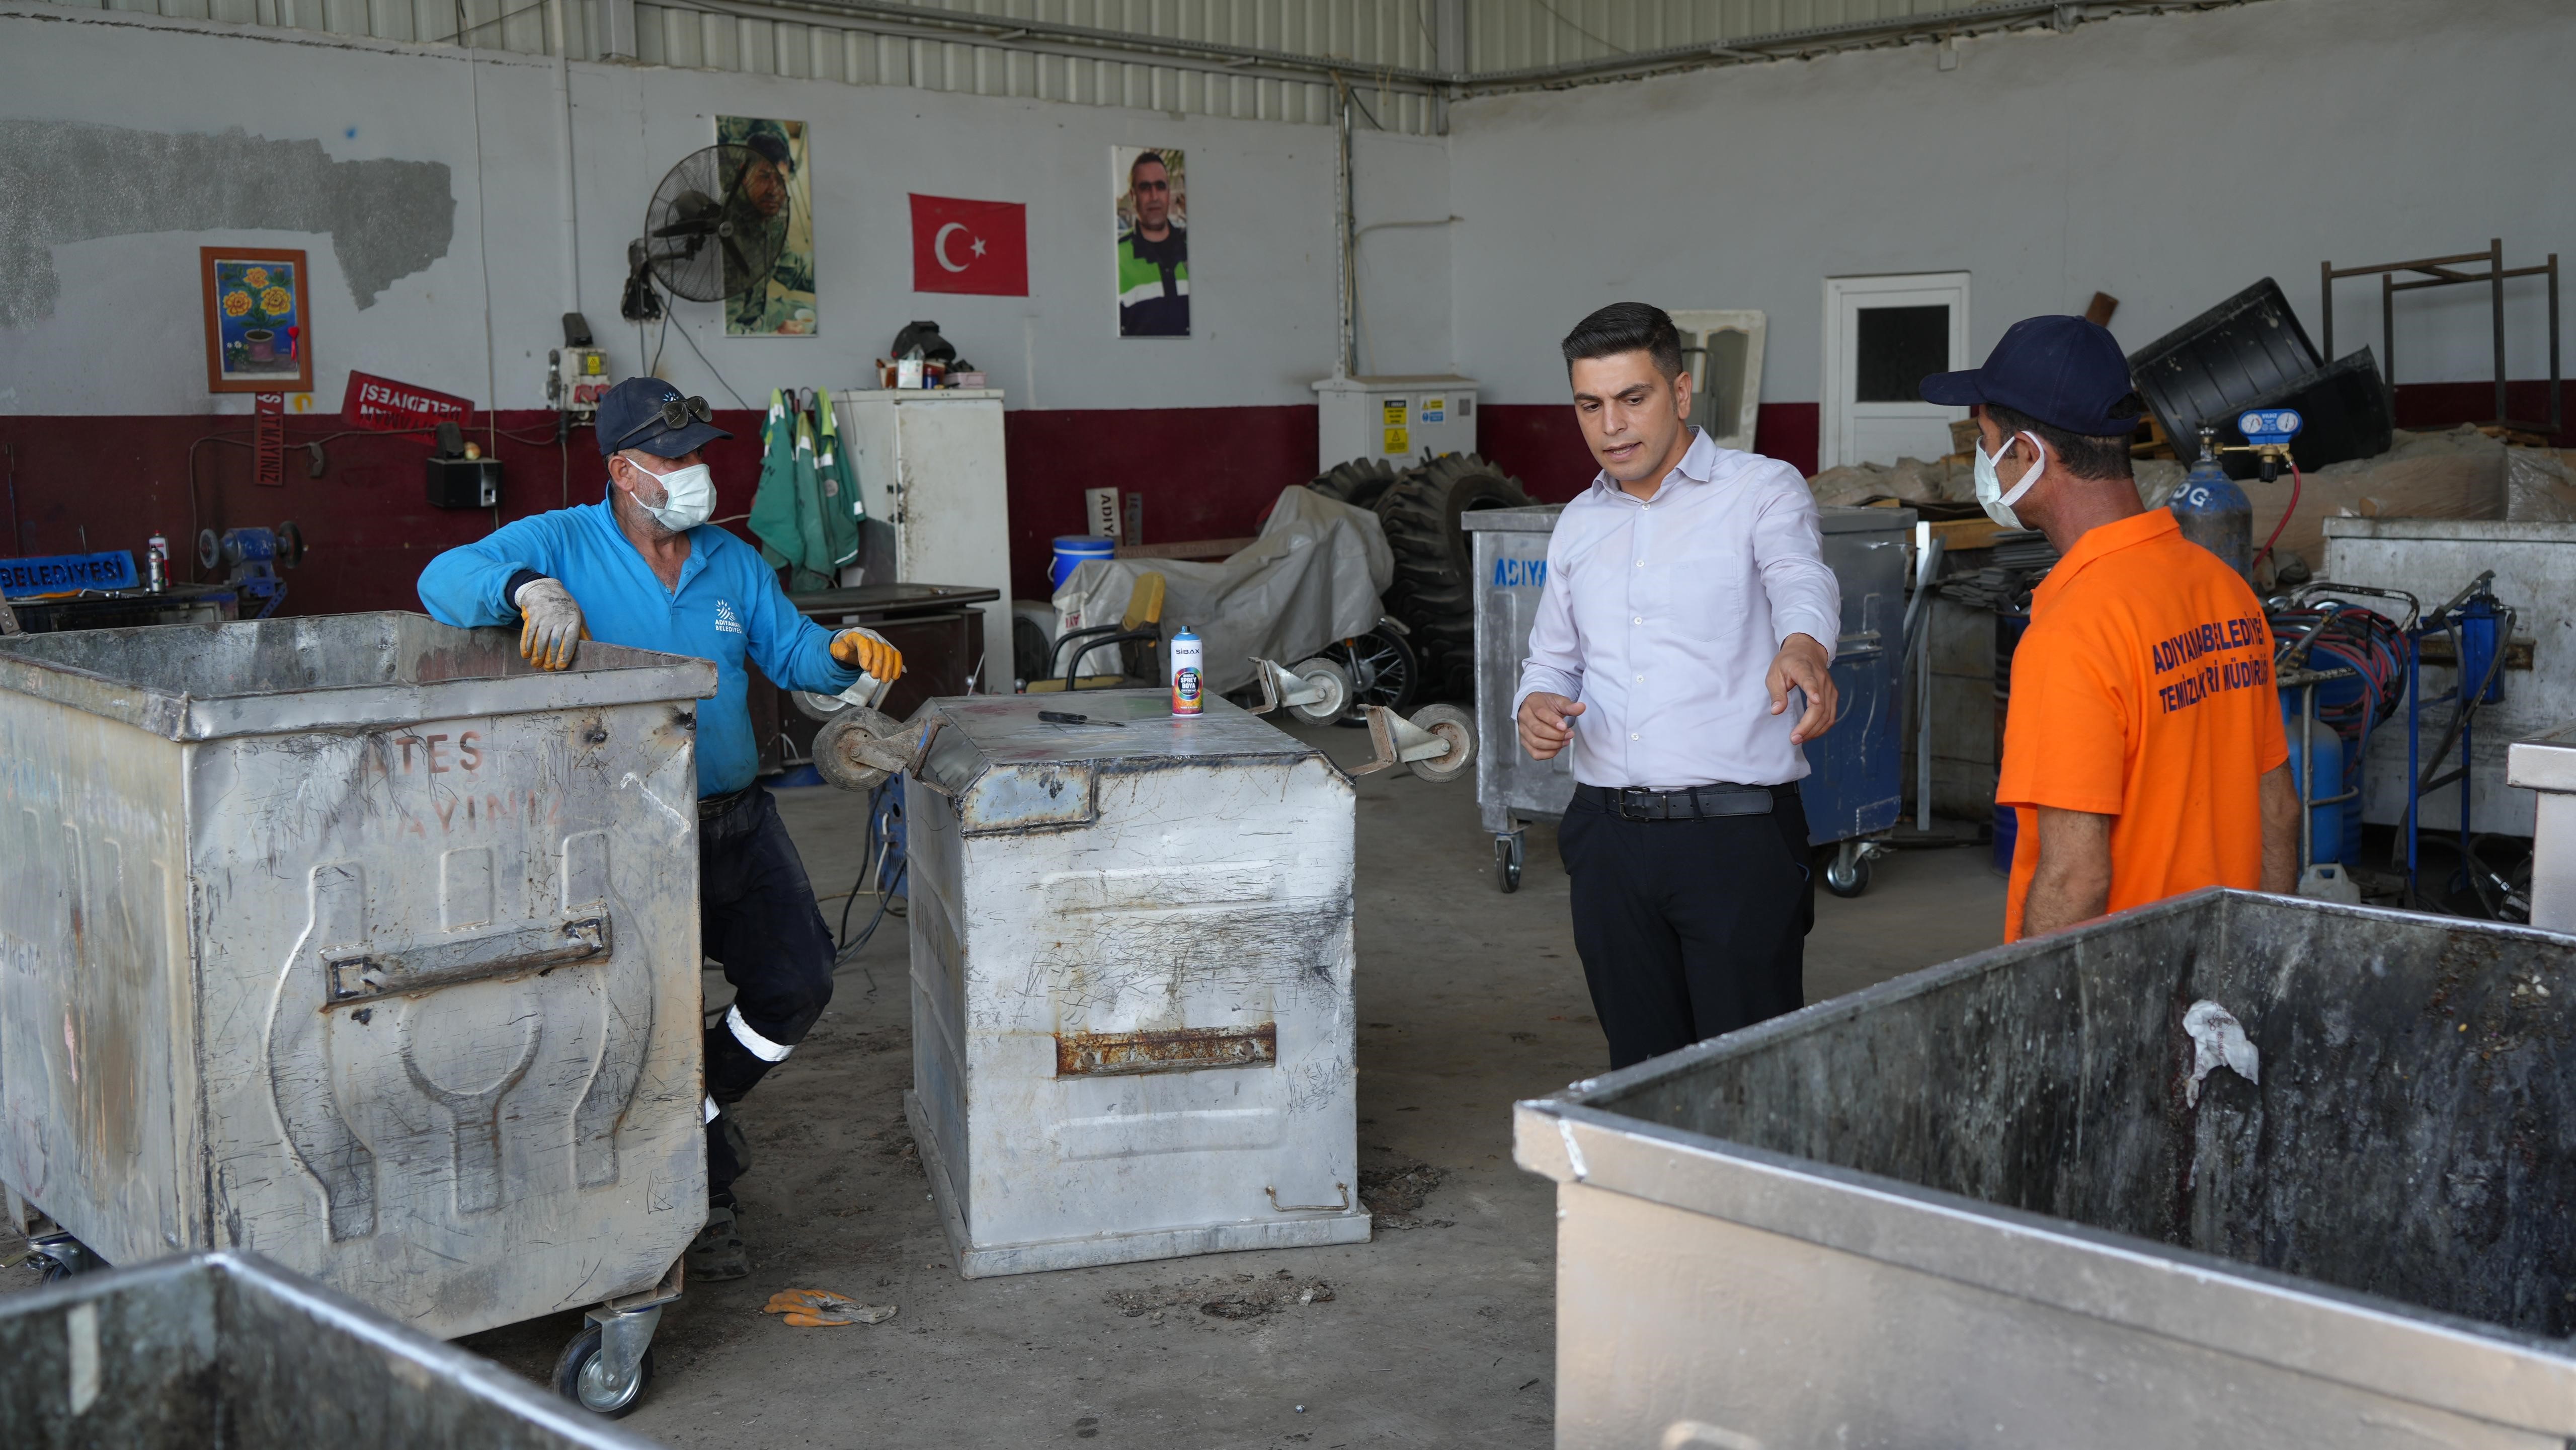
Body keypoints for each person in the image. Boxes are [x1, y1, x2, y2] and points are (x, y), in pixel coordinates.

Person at [417, 377, 904, 1279]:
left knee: (798, 982)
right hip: (623, 834)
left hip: (737, 818)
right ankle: (688, 1194)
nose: (694, 474)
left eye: (698, 457)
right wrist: (528, 590)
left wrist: (842, 654)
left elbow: (790, 651)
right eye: (673, 459)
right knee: (641, 1019)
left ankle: (694, 1116)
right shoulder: (563, 540)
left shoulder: (732, 561)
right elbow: (440, 580)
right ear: (622, 469)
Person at [1515, 302, 1842, 1071]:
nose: (1612, 425)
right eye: (1590, 405)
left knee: (1747, 1072)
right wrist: (1534, 702)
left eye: (1635, 398)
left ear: (1682, 393)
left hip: (1733, 839)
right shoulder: (1579, 524)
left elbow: (1800, 576)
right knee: (1640, 1067)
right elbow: (1551, 659)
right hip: (1608, 840)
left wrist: (1802, 646)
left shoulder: (1760, 489)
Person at [1919, 316, 2298, 942]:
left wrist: (2034, 1009)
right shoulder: (2223, 588)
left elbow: (2075, 878)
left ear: (2028, 454)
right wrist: (2261, 957)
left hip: (2125, 988)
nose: (1982, 463)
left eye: (1984, 442)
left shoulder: (2071, 629)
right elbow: (2278, 811)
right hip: (2224, 964)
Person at [1116, 150, 1189, 337]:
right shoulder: (1115, 258)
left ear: (1169, 194)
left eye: (1160, 186)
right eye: (1145, 188)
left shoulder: (1193, 248)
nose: (1154, 196)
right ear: (1133, 196)